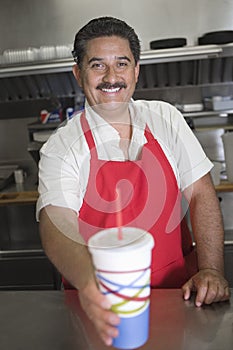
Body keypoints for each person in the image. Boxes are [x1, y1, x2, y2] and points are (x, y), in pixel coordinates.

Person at [37, 16, 230, 347]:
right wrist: (91, 284)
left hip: (178, 296)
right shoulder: (63, 144)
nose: (111, 77)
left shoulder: (165, 118)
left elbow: (200, 192)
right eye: (98, 65)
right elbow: (57, 223)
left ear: (136, 70)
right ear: (78, 73)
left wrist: (211, 269)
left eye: (121, 64)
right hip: (99, 307)